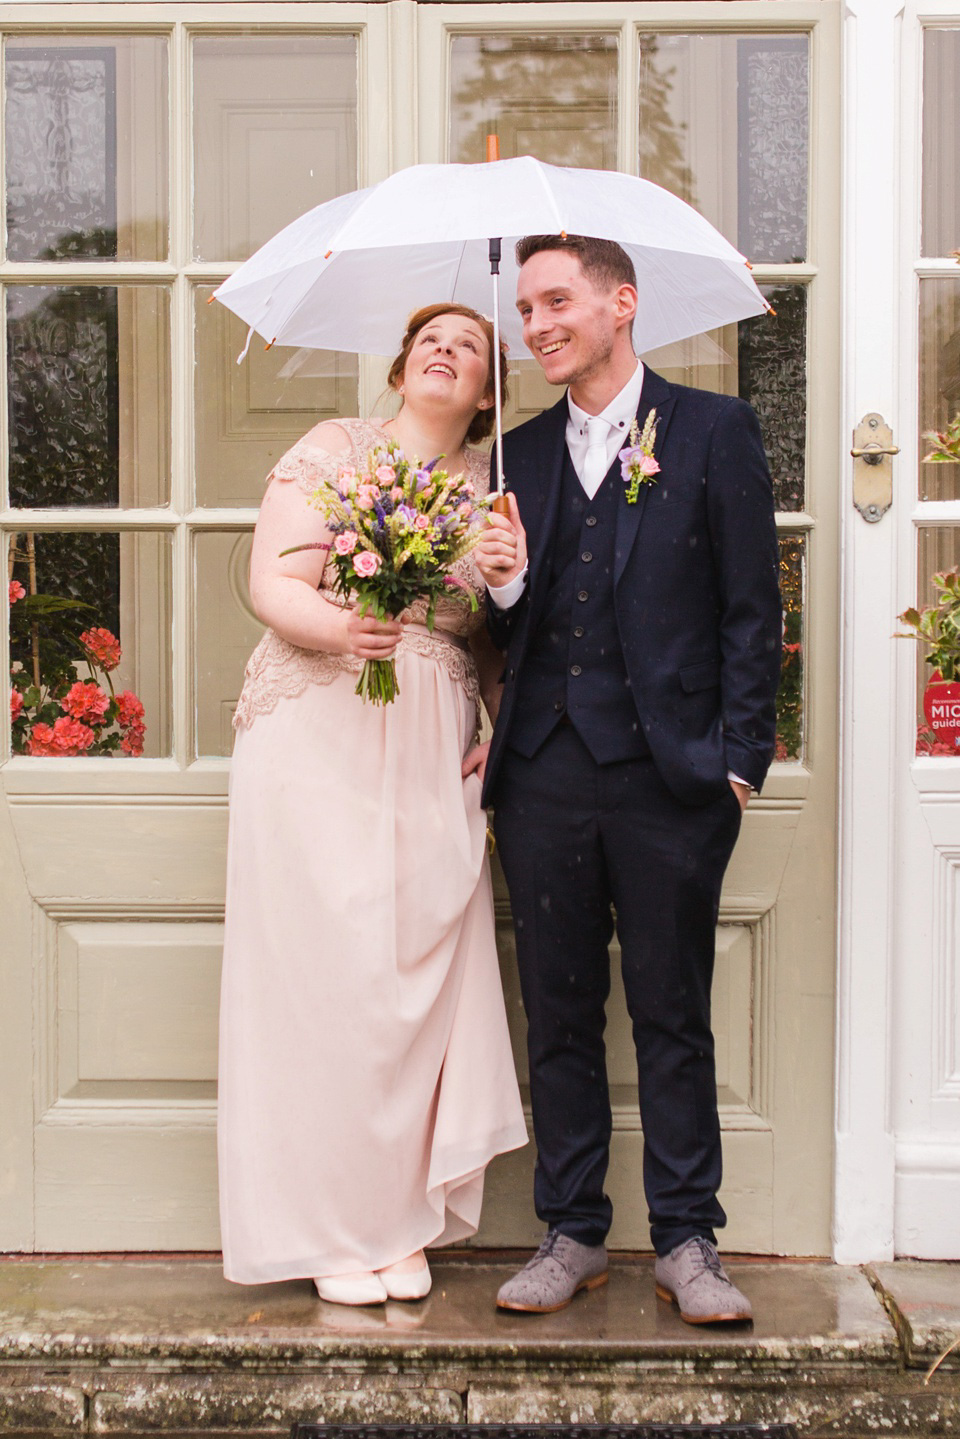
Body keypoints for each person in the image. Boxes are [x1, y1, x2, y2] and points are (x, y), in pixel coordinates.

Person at [474, 235, 781, 1325]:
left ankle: (690, 1240)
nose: (538, 323)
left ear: (621, 304)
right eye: (526, 307)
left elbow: (753, 610)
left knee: (671, 1008)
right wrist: (503, 589)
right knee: (556, 1009)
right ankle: (571, 1229)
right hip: (546, 771)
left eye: (558, 300)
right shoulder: (514, 455)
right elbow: (510, 619)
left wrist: (741, 762)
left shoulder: (711, 432)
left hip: (671, 777)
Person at [218, 303, 528, 1307]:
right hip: (317, 724)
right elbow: (274, 579)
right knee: (325, 976)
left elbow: (492, 634)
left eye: (471, 342)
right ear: (401, 366)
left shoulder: (495, 491)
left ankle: (393, 1217)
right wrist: (344, 627)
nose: (446, 347)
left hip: (430, 737)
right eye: (429, 337)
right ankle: (324, 1226)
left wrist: (496, 700)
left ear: (488, 390)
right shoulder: (333, 448)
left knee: (411, 977)